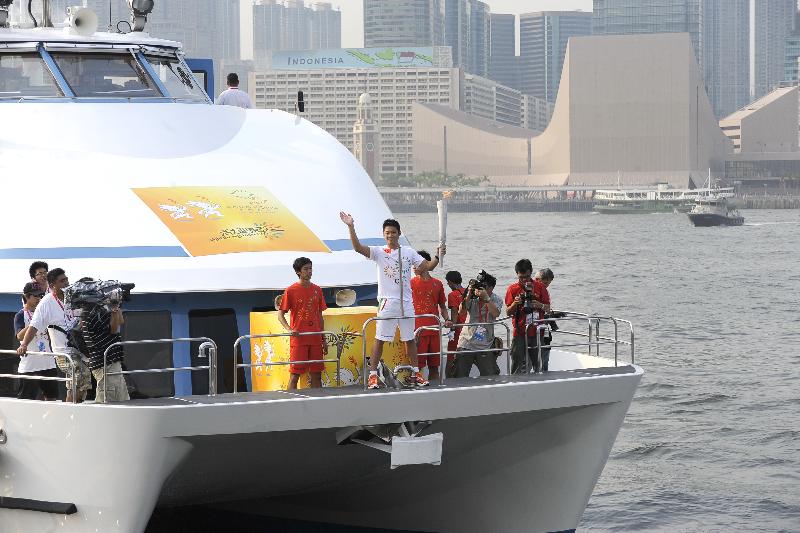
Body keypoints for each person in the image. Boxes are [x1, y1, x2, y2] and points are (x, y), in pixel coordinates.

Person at [339, 212, 442, 389]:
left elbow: (428, 266)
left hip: (406, 304)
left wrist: (438, 256)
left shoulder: (408, 252)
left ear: (399, 233)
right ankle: (373, 376)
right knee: (380, 339)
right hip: (387, 303)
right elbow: (357, 248)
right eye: (387, 232)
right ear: (383, 234)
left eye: (393, 232)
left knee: (410, 339)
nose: (390, 235)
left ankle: (416, 373)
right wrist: (350, 226)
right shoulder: (379, 252)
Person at [17, 268, 91, 402]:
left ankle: (71, 409)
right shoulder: (46, 303)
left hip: (79, 349)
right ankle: (71, 409)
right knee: (80, 376)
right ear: (52, 286)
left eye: (66, 279)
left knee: (79, 385)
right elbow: (34, 326)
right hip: (63, 353)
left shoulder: (73, 297)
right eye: (62, 281)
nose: (66, 283)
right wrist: (24, 345)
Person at [278, 257, 328, 390]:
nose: (309, 271)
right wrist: (290, 329)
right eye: (305, 269)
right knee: (295, 375)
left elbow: (320, 316)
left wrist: (323, 339)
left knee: (317, 375)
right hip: (299, 339)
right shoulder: (290, 290)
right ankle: (290, 401)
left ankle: (318, 401)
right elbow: (280, 314)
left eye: (310, 268)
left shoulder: (317, 289)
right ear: (298, 272)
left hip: (315, 338)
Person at [80, 284, 130, 403]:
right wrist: (113, 308)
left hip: (110, 361)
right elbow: (113, 329)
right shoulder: (93, 314)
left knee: (120, 398)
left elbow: (121, 321)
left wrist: (116, 306)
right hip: (105, 363)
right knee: (107, 400)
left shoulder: (93, 311)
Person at [410, 251, 451, 382]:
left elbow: (442, 306)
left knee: (434, 367)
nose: (414, 267)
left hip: (434, 330)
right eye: (413, 264)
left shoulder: (438, 284)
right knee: (417, 368)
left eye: (416, 263)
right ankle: (418, 388)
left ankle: (435, 389)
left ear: (427, 264)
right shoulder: (409, 283)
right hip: (417, 331)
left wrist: (447, 319)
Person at [13, 282, 58, 400]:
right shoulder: (20, 315)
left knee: (52, 399)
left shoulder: (45, 313)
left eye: (41, 295)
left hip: (48, 363)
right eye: (36, 296)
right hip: (30, 365)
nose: (39, 298)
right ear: (27, 297)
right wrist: (34, 323)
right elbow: (19, 336)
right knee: (26, 399)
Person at [505, 259, 550, 374]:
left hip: (536, 331)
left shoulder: (540, 287)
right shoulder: (512, 289)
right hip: (519, 332)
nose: (524, 280)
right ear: (517, 274)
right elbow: (508, 312)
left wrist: (539, 305)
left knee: (538, 365)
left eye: (527, 277)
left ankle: (540, 382)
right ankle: (515, 383)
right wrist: (515, 303)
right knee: (516, 364)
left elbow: (548, 308)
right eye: (521, 277)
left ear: (531, 273)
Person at [454, 273, 503, 378]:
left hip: (486, 343)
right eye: (479, 286)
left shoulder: (496, 299)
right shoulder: (472, 297)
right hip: (466, 342)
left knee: (490, 376)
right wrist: (468, 294)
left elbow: (496, 313)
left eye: (484, 287)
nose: (480, 289)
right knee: (459, 376)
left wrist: (486, 299)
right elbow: (461, 312)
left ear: (491, 288)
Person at [444, 270, 467, 378]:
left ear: (450, 282)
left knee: (451, 356)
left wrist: (451, 329)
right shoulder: (468, 292)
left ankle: (448, 378)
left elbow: (454, 314)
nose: (448, 285)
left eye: (448, 283)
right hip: (469, 329)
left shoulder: (452, 295)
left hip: (458, 330)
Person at [534, 268, 555, 372]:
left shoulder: (545, 291)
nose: (546, 285)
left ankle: (544, 373)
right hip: (533, 327)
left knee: (544, 357)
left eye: (548, 283)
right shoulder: (531, 289)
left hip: (544, 327)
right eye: (545, 282)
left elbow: (547, 308)